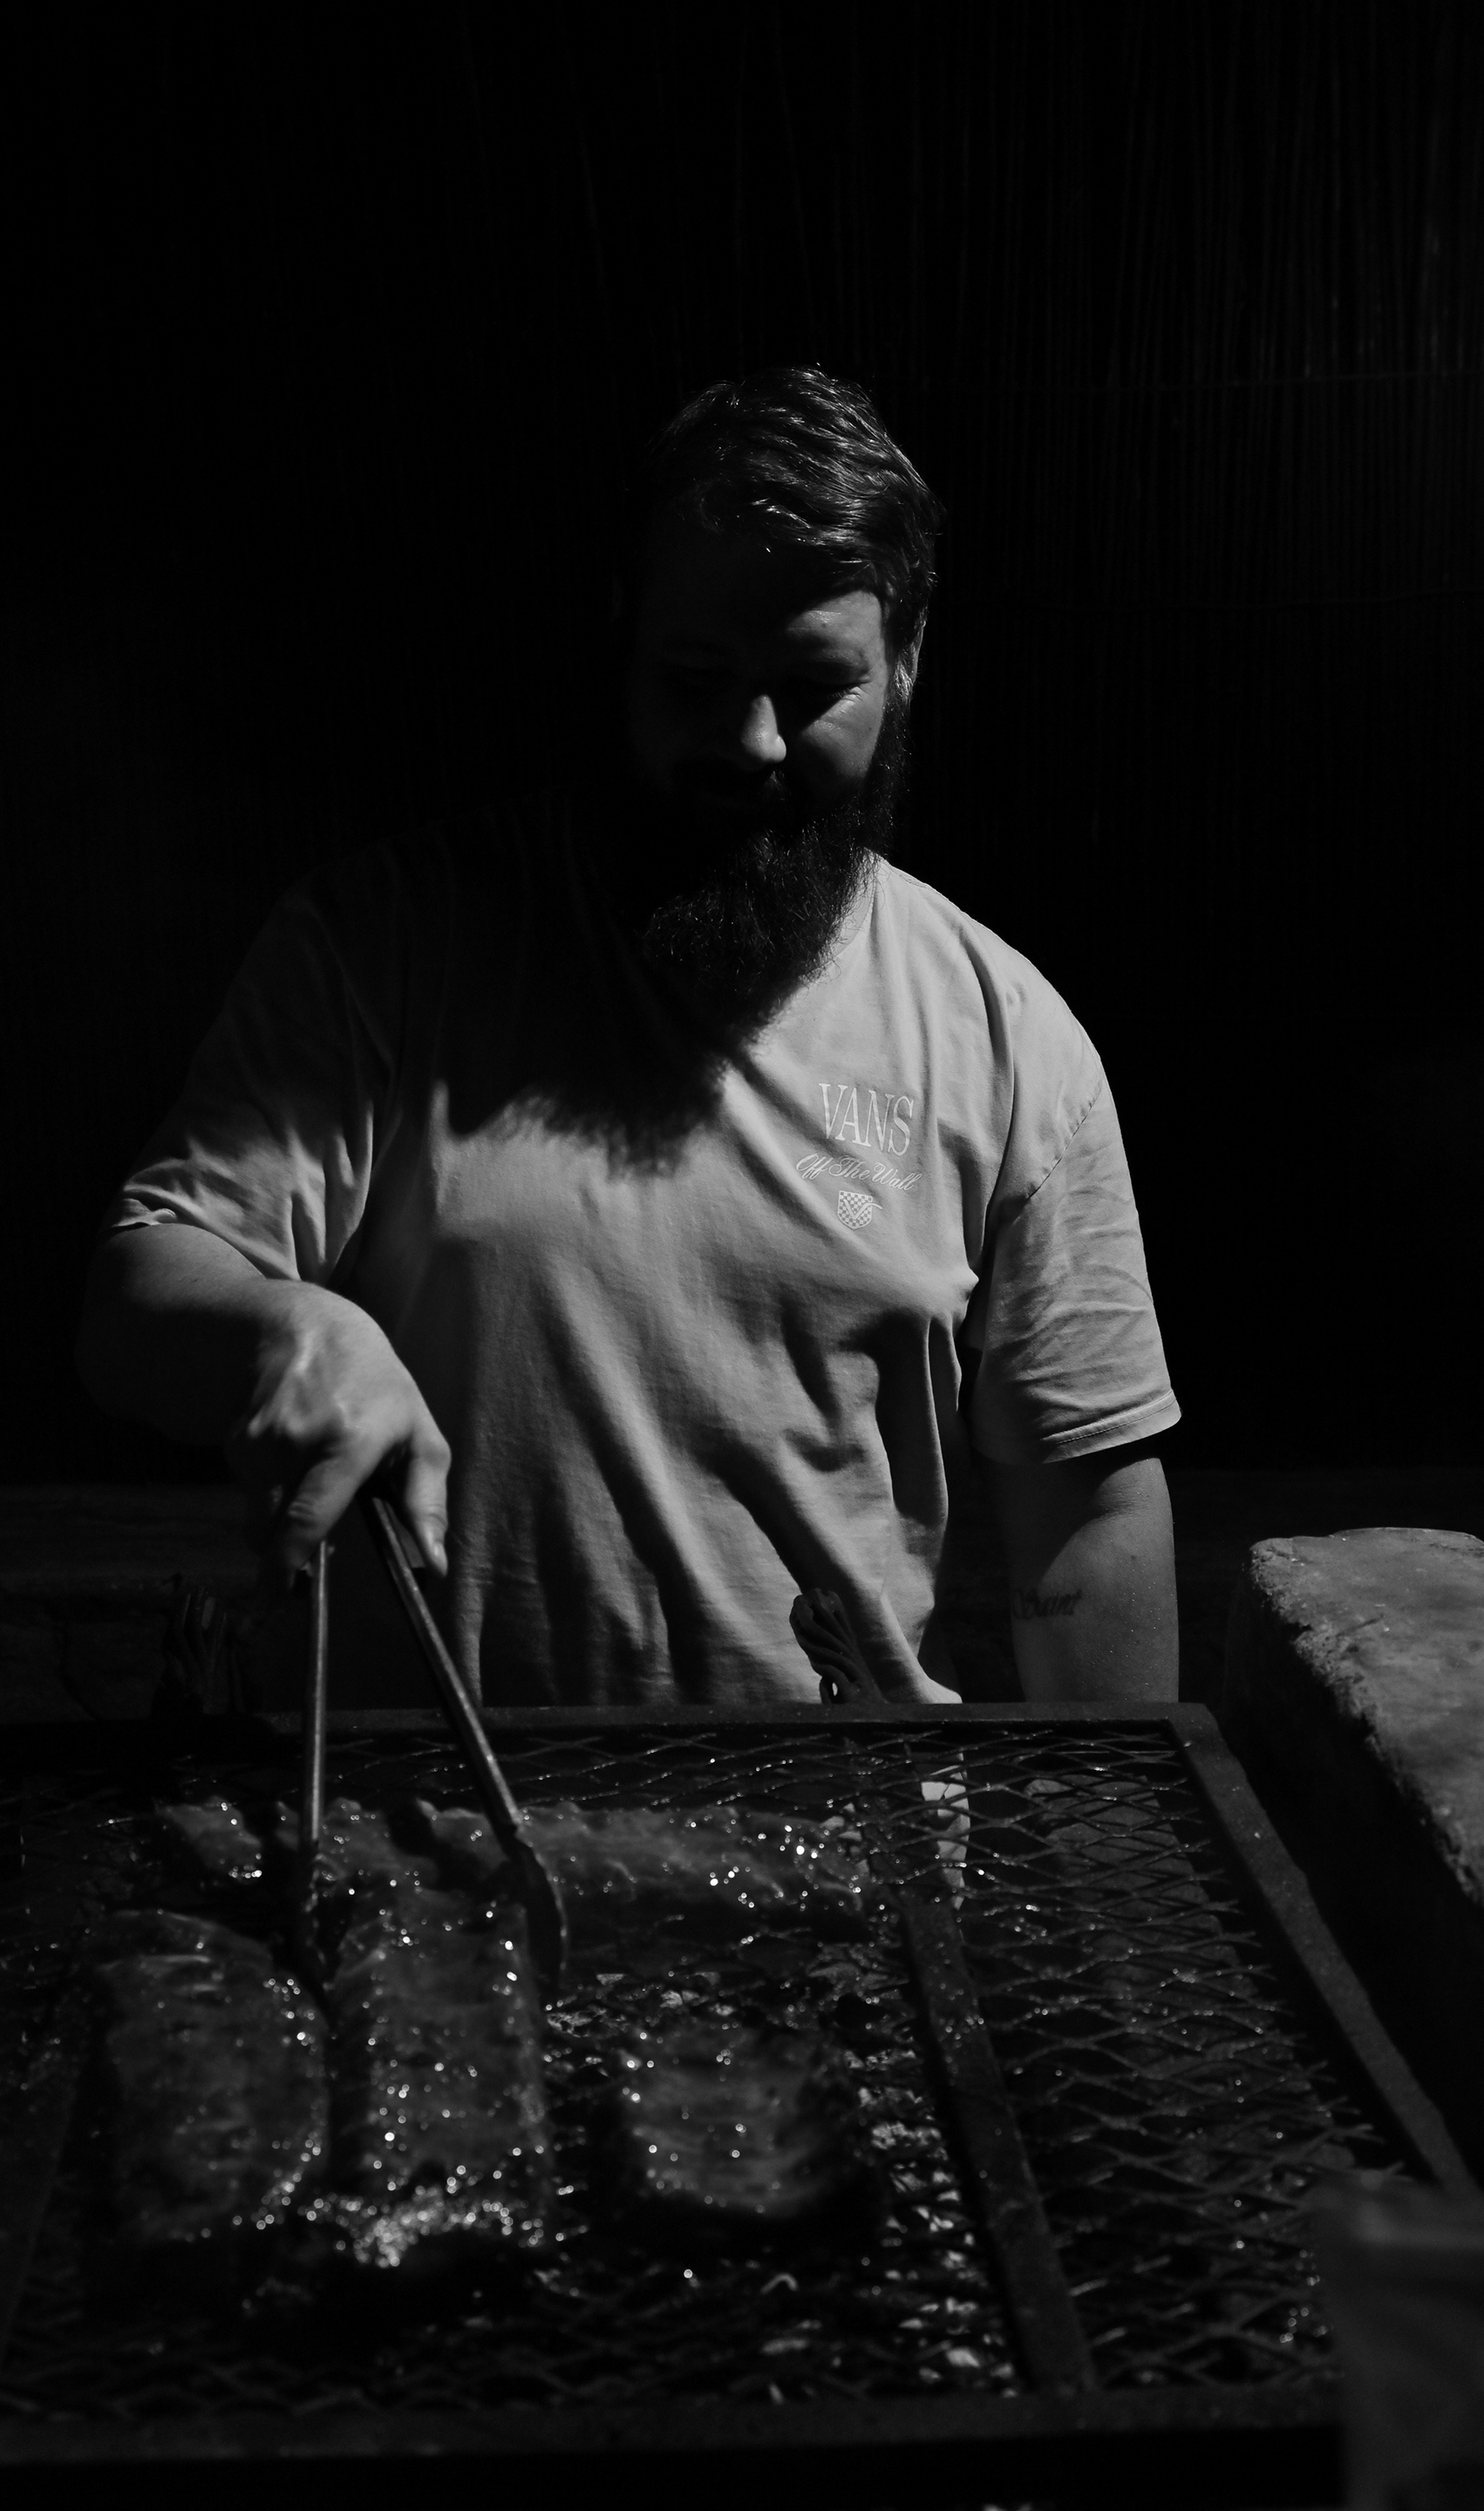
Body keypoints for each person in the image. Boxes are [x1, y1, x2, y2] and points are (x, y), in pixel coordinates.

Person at [77, 367, 1180, 1710]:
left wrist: (1108, 1825)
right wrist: (272, 1329)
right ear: (620, 633)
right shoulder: (385, 946)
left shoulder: (1007, 1040)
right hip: (436, 1812)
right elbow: (136, 1296)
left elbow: (1088, 1511)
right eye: (697, 678)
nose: (753, 740)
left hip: (855, 1819)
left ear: (906, 661)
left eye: (813, 685)